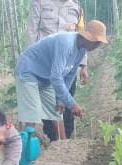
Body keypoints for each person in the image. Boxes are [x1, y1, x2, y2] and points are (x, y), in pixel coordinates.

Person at [14, 20, 108, 141]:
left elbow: (69, 76)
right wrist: (72, 104)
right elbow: (56, 77)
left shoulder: (82, 49)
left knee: (57, 112)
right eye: (97, 42)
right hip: (28, 70)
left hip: (45, 76)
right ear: (88, 37)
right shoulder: (66, 42)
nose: (97, 46)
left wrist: (61, 100)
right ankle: (25, 149)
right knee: (33, 113)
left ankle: (63, 146)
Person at [26, 0, 90, 141]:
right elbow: (32, 31)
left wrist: (83, 65)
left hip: (68, 64)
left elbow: (83, 36)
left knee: (67, 100)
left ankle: (66, 140)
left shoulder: (76, 7)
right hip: (45, 64)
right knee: (48, 104)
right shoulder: (40, 3)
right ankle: (53, 139)